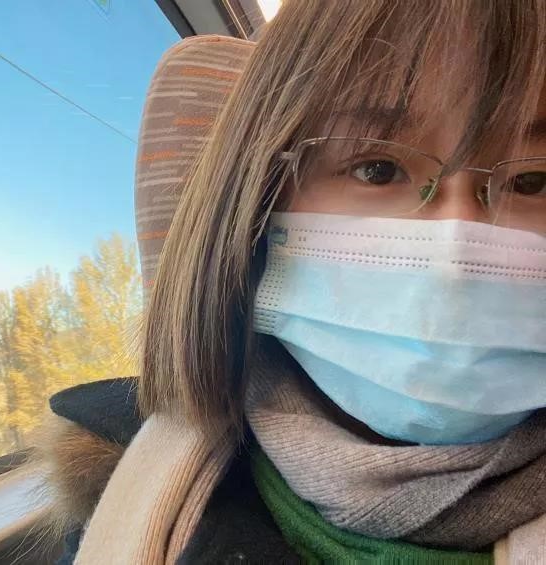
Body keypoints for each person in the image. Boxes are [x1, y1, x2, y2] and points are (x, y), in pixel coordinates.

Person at [37, 1, 546, 563]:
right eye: (377, 169)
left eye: (533, 181)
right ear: (260, 200)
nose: (457, 259)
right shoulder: (128, 503)